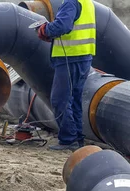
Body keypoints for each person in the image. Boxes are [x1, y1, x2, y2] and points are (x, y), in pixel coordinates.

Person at [36, 0, 96, 151]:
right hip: (82, 57)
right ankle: (77, 139)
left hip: (70, 57)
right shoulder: (86, 2)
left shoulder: (71, 2)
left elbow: (63, 26)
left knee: (60, 99)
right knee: (74, 100)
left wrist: (45, 30)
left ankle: (69, 140)